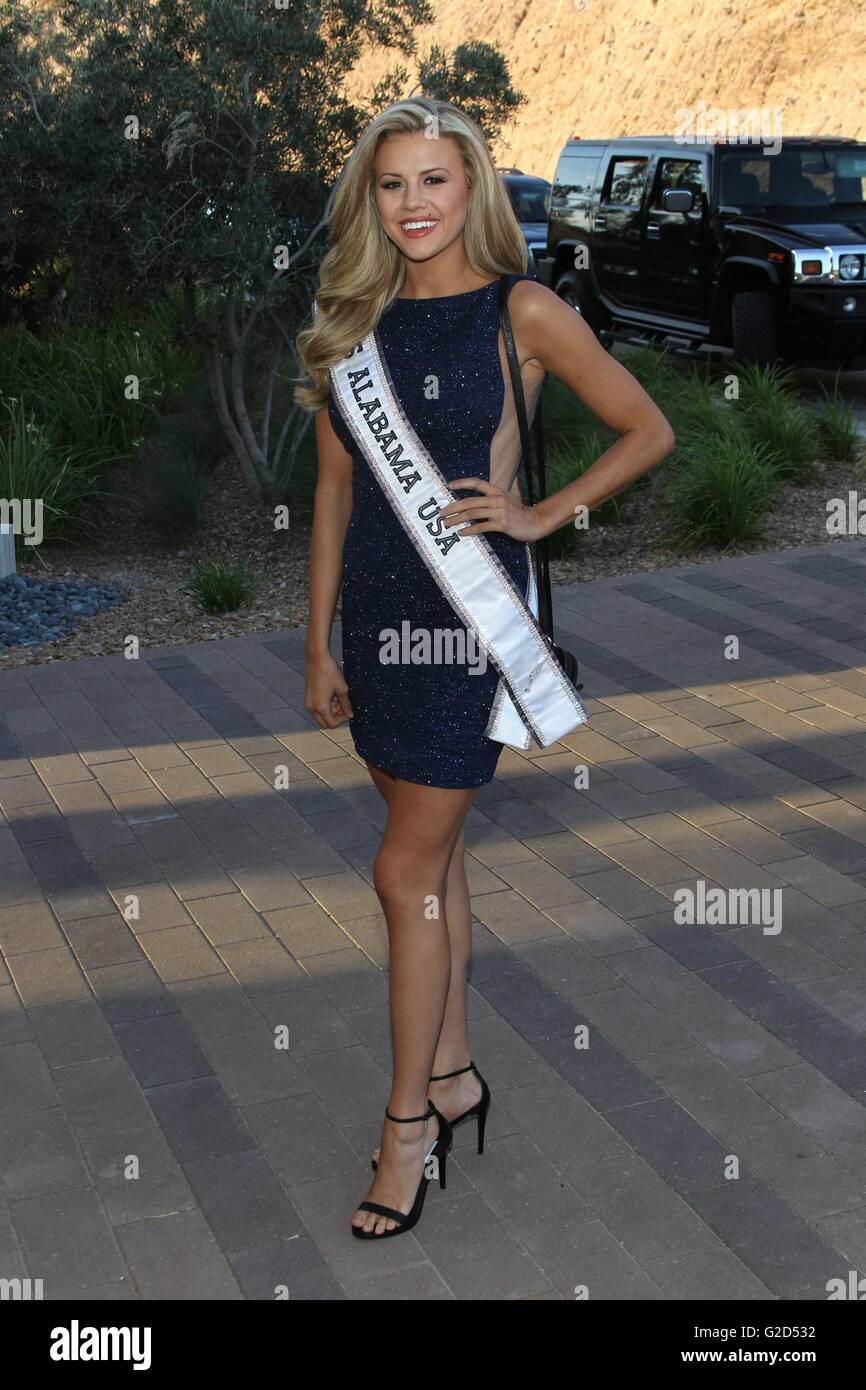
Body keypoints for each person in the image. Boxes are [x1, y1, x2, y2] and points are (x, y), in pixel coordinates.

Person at [294, 97, 674, 1241]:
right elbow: (332, 491)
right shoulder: (348, 322)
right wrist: (316, 640)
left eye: (434, 182)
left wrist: (539, 512)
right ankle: (454, 1073)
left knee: (400, 871)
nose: (412, 205)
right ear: (370, 197)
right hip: (378, 632)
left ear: (473, 192)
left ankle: (407, 1126)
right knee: (437, 862)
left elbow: (645, 426)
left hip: (467, 635)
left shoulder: (522, 310)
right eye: (391, 184)